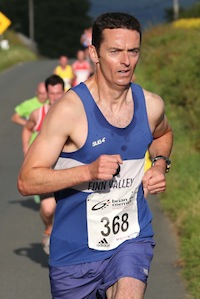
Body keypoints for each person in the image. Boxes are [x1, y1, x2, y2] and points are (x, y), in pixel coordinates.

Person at [18, 12, 173, 299]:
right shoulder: (69, 110)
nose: (126, 61)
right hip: (74, 255)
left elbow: (163, 134)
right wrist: (87, 172)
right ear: (95, 53)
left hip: (131, 240)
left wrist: (160, 164)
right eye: (115, 51)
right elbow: (27, 181)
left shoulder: (151, 104)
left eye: (133, 51)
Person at [22, 74, 65, 255]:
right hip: (45, 170)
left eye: (58, 93)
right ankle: (48, 229)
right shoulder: (38, 114)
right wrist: (26, 151)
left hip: (68, 169)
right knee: (48, 209)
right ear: (47, 93)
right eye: (52, 93)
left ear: (64, 91)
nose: (55, 97)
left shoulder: (72, 112)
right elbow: (27, 128)